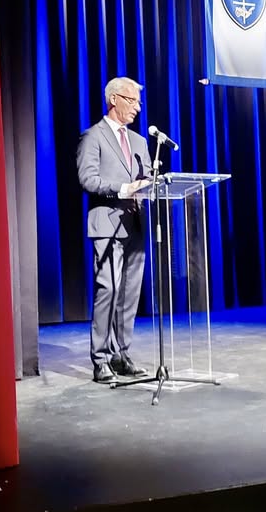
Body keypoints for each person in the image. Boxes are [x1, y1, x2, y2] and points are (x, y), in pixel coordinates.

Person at [77, 76, 152, 384]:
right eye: (132, 101)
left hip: (136, 224)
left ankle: (121, 355)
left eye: (138, 102)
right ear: (114, 100)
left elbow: (145, 178)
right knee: (108, 289)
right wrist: (123, 188)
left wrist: (151, 184)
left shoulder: (140, 142)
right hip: (107, 225)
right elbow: (88, 179)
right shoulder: (92, 136)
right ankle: (100, 359)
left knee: (129, 294)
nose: (137, 108)